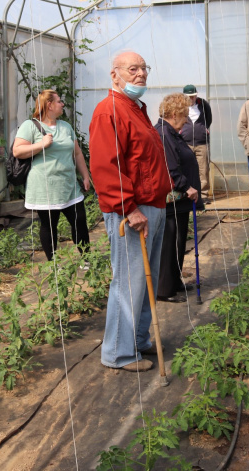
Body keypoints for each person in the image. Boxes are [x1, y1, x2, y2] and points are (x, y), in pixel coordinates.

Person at [89, 51, 171, 372]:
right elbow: (106, 166)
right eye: (132, 69)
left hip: (153, 206)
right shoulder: (109, 111)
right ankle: (118, 353)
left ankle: (137, 339)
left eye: (143, 69)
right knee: (128, 280)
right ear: (115, 75)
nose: (140, 74)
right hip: (133, 212)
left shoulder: (135, 109)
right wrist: (128, 207)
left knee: (143, 277)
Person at [12, 89, 91, 260]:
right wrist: (41, 144)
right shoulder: (30, 125)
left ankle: (87, 259)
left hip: (69, 185)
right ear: (49, 105)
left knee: (80, 222)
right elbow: (17, 151)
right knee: (49, 225)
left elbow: (77, 153)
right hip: (44, 187)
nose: (62, 104)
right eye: (59, 101)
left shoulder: (66, 126)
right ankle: (53, 263)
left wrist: (85, 176)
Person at [155, 93, 203, 302]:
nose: (185, 121)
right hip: (173, 199)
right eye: (184, 116)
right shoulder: (164, 135)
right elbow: (170, 169)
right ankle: (164, 290)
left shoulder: (172, 133)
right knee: (169, 242)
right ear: (174, 114)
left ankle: (174, 282)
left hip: (181, 200)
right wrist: (187, 187)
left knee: (178, 240)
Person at [180, 84, 212, 203]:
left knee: (203, 169)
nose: (191, 99)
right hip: (185, 143)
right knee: (186, 168)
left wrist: (204, 129)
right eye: (188, 96)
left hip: (201, 143)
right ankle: (187, 192)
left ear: (196, 95)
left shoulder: (203, 105)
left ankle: (203, 195)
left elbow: (209, 119)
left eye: (193, 96)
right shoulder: (180, 107)